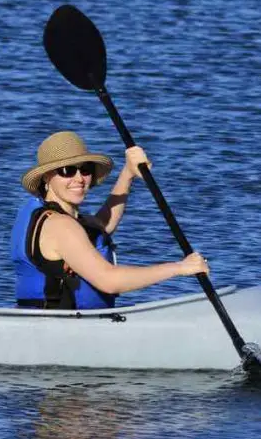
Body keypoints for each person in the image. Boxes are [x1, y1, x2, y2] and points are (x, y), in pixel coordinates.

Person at [11, 131, 207, 309]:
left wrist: (128, 173)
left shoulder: (44, 214)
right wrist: (180, 268)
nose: (79, 179)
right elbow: (109, 281)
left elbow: (101, 227)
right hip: (61, 330)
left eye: (85, 169)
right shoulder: (61, 226)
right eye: (67, 171)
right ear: (46, 177)